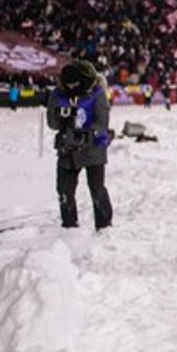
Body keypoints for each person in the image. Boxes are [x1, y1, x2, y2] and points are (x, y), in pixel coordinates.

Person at [47, 60, 113, 231]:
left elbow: (102, 121)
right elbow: (52, 123)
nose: (71, 87)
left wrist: (86, 135)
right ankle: (69, 226)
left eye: (75, 84)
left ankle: (104, 226)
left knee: (97, 190)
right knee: (64, 190)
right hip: (67, 148)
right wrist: (64, 118)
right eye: (68, 84)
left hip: (94, 148)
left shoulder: (97, 92)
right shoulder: (58, 94)